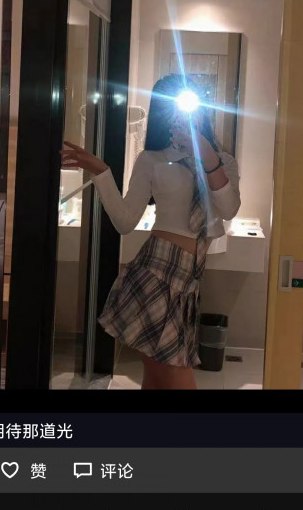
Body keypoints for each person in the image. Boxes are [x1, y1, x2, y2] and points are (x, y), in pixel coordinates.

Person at [60, 74, 241, 389]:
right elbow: (125, 221)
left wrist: (207, 156)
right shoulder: (152, 159)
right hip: (154, 274)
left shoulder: (223, 162)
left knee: (157, 379)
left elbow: (228, 210)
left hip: (189, 282)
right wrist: (101, 172)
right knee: (177, 380)